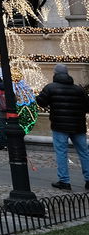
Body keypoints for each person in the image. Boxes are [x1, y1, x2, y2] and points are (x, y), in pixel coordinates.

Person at [37, 62, 89, 190]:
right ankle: (88, 179)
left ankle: (64, 181)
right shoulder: (79, 89)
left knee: (61, 153)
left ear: (55, 73)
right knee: (84, 152)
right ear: (67, 73)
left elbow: (41, 102)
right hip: (78, 126)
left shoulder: (50, 88)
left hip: (60, 126)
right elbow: (87, 107)